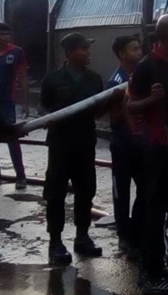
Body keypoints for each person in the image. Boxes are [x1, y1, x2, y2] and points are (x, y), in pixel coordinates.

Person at [127, 14, 168, 293]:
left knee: (164, 208)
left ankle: (156, 264)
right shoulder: (147, 67)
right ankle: (149, 274)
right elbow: (130, 106)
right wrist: (151, 100)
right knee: (154, 209)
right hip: (155, 145)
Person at [41, 33, 108, 266]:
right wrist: (49, 117)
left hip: (85, 143)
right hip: (60, 145)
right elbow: (44, 108)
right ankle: (55, 242)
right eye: (83, 48)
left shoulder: (94, 79)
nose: (88, 52)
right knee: (56, 193)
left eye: (88, 48)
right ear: (69, 53)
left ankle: (82, 236)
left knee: (86, 190)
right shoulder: (52, 79)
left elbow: (98, 111)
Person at [107, 35, 144, 257]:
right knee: (122, 191)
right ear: (122, 53)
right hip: (123, 143)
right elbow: (114, 116)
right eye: (134, 49)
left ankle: (141, 231)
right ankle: (124, 236)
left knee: (146, 188)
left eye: (139, 48)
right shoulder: (116, 81)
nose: (139, 52)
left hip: (142, 141)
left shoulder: (140, 74)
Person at [0, 23, 29, 189]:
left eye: (8, 34)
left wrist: (24, 103)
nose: (6, 37)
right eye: (3, 34)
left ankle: (21, 176)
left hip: (7, 103)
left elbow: (23, 77)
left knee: (12, 138)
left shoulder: (17, 52)